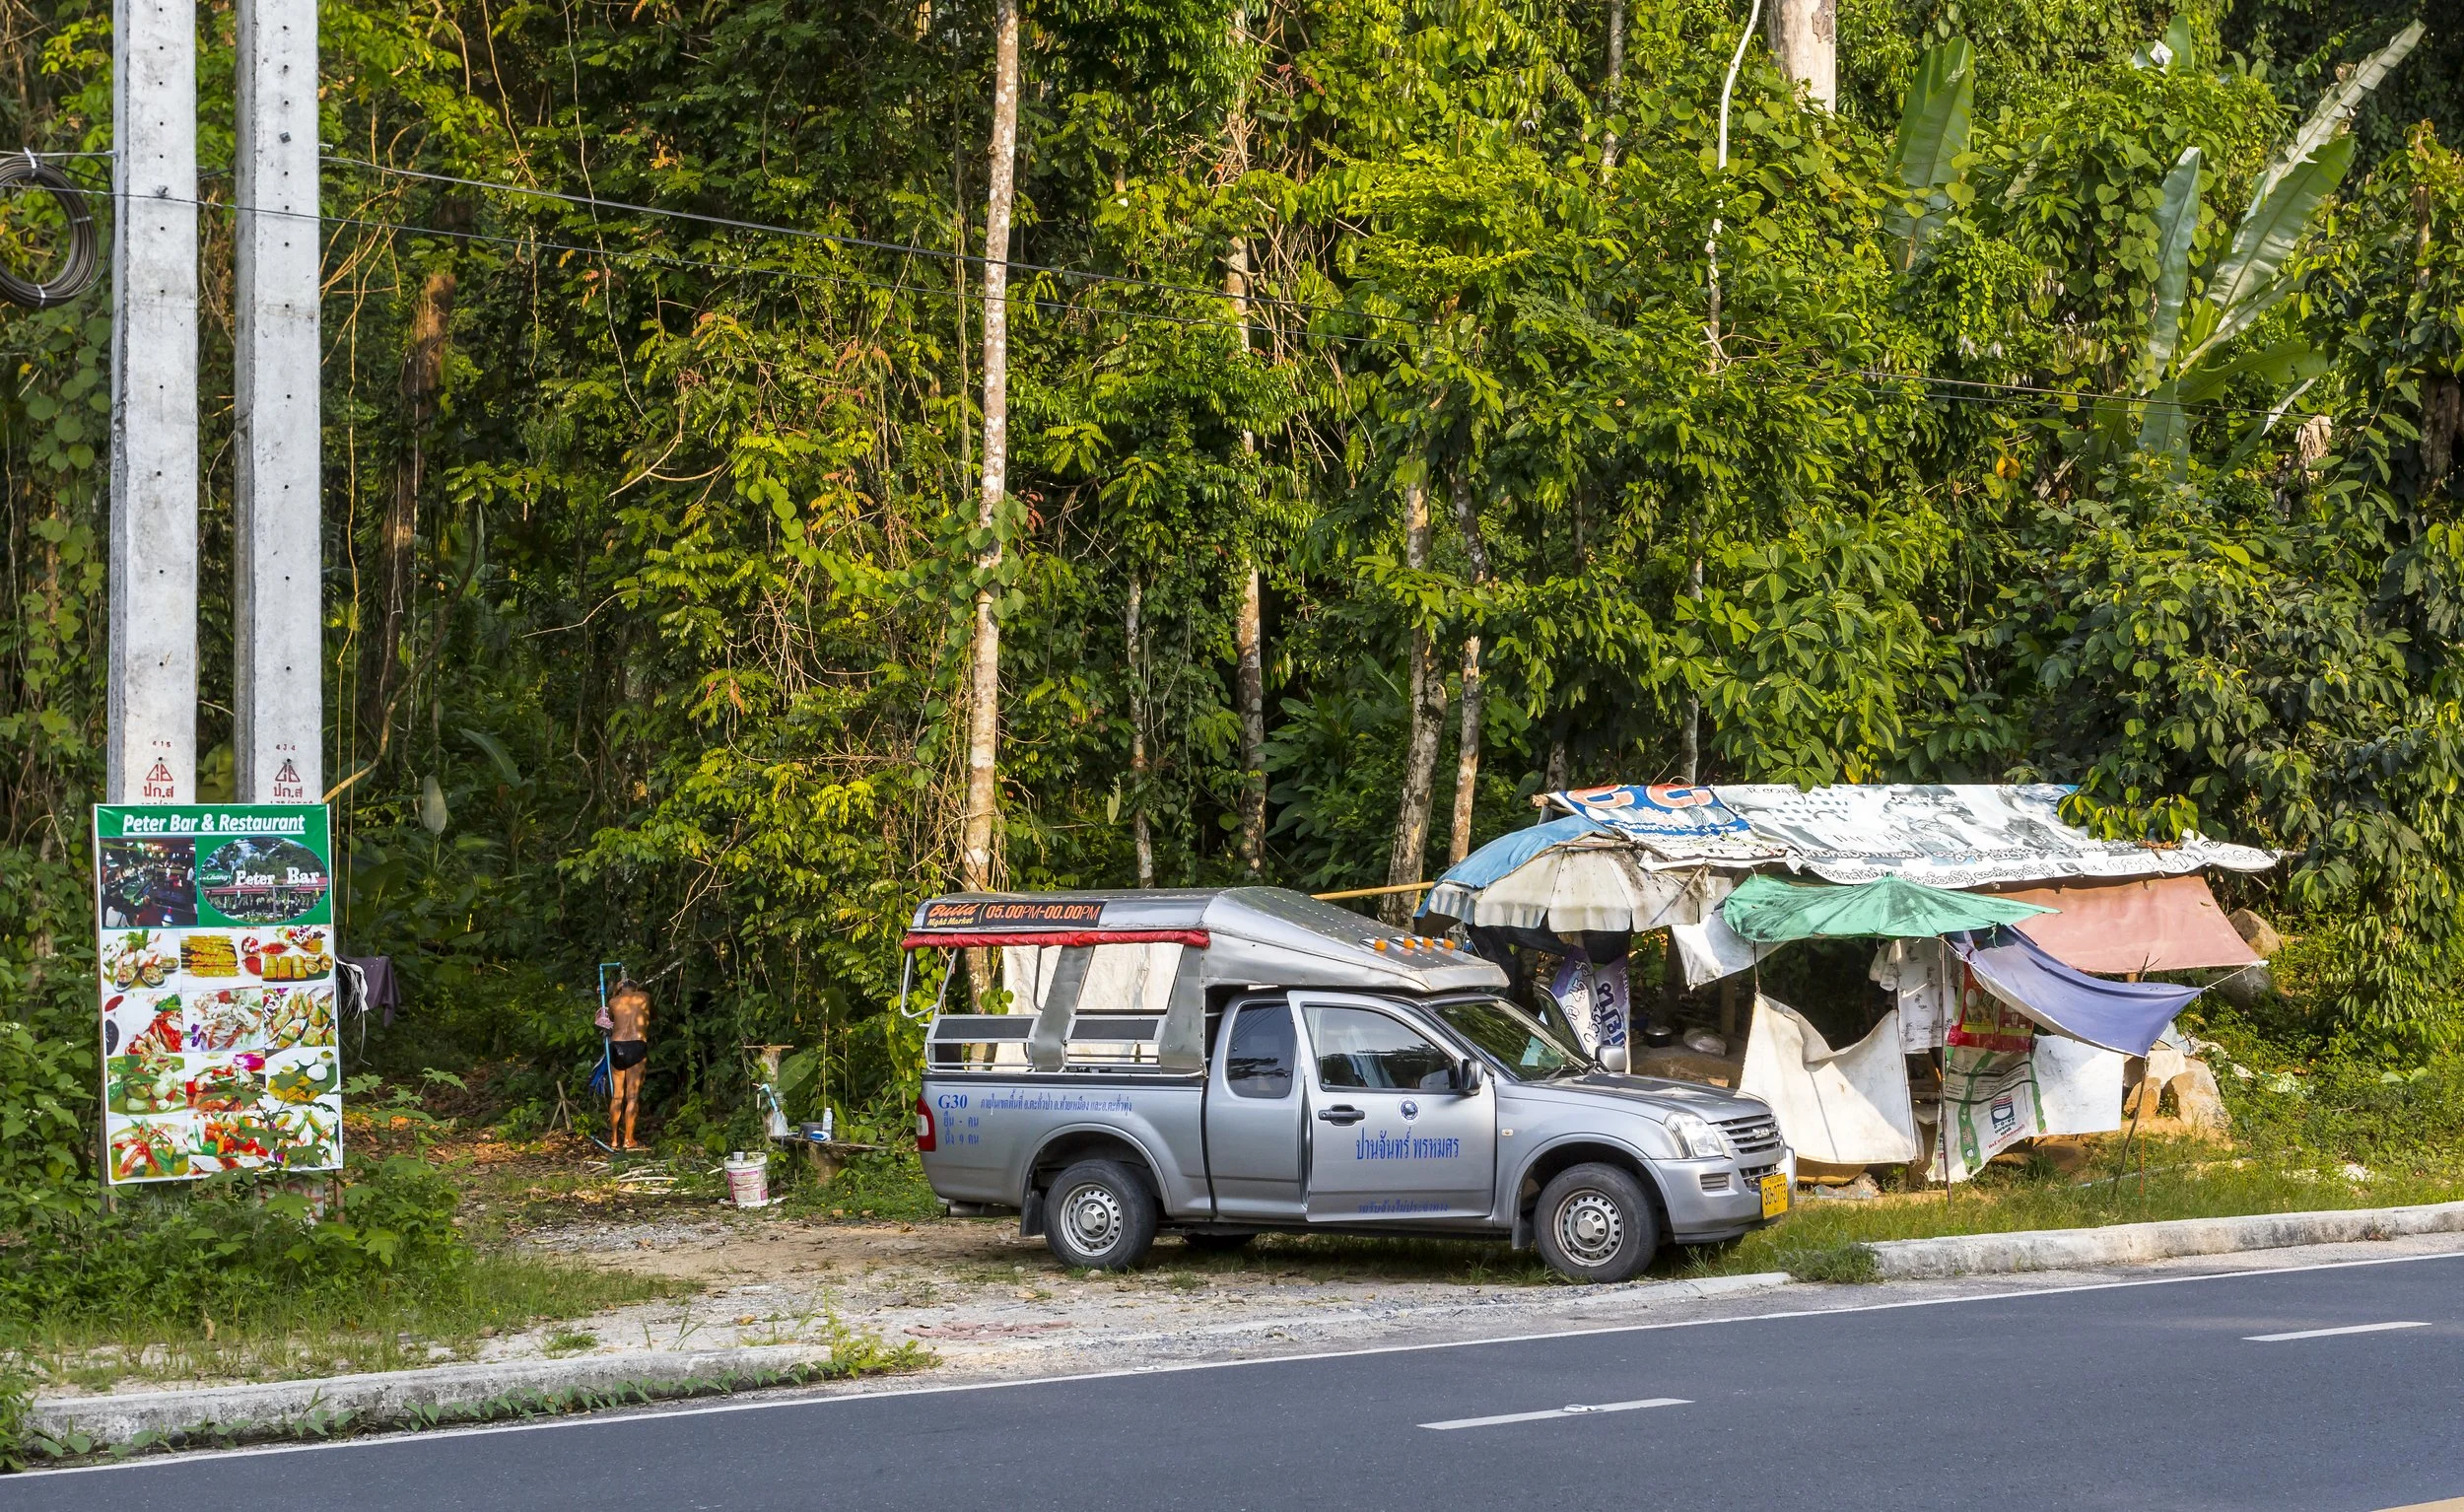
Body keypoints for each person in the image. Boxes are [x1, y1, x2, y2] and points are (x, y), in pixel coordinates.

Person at [605, 979, 651, 1150]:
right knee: (632, 1097)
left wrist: (614, 993)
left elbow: (609, 1019)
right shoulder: (644, 996)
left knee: (617, 1096)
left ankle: (614, 1139)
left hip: (616, 1046)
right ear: (636, 987)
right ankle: (628, 1140)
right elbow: (653, 1015)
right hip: (636, 1045)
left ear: (620, 989)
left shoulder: (613, 1001)